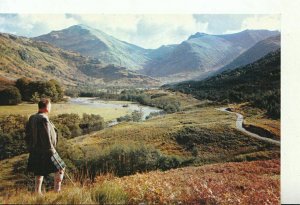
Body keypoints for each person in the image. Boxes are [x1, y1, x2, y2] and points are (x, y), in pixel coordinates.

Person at [25, 98, 65, 195]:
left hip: (35, 150)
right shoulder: (43, 119)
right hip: (47, 150)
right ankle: (57, 192)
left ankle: (37, 193)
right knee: (61, 168)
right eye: (50, 106)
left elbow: (27, 135)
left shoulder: (32, 117)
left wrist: (30, 148)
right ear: (46, 107)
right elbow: (46, 136)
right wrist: (52, 151)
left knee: (39, 172)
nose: (50, 107)